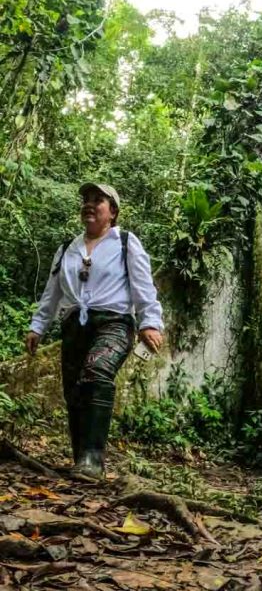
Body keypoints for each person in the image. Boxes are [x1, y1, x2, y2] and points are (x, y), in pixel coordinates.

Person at [25, 182, 164, 479]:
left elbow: (143, 286)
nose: (88, 205)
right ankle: (81, 460)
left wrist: (150, 322)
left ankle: (93, 459)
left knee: (97, 371)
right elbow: (52, 293)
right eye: (85, 200)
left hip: (114, 323)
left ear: (112, 211)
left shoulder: (125, 242)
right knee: (73, 390)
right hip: (75, 325)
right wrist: (38, 326)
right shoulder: (67, 249)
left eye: (97, 200)